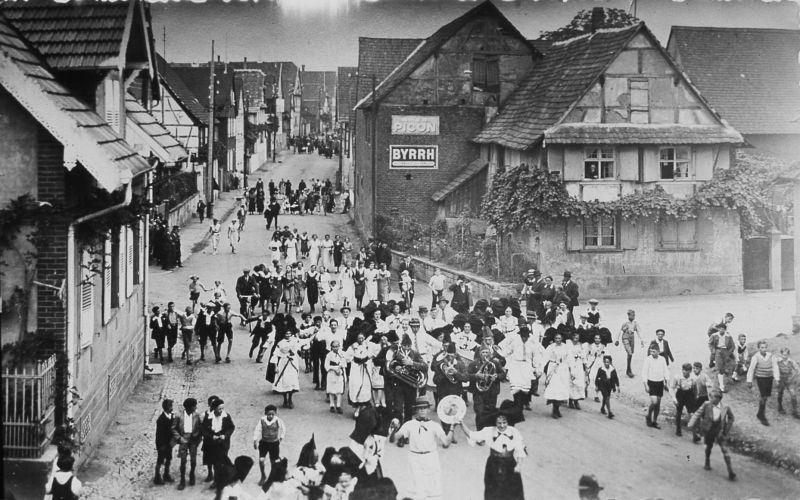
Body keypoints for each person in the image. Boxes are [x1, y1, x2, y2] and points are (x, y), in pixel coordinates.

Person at [460, 403, 526, 500]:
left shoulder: (513, 432)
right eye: (499, 423)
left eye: (504, 422)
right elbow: (472, 435)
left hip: (510, 464)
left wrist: (519, 465)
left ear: (508, 421)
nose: (502, 425)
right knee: (493, 491)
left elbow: (520, 449)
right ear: (495, 422)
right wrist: (461, 424)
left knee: (513, 491)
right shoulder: (489, 431)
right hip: (494, 463)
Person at [392, 398, 454, 500]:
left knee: (432, 490)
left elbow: (446, 443)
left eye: (424, 408)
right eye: (419, 408)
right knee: (416, 491)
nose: (422, 410)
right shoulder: (409, 424)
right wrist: (394, 428)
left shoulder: (435, 425)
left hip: (431, 458)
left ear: (428, 410)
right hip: (414, 459)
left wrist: (452, 427)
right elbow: (394, 439)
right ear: (416, 410)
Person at [688, 389, 736, 481]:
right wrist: (691, 422)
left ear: (719, 398)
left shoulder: (725, 407)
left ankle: (730, 471)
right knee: (709, 446)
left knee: (724, 449)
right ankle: (707, 461)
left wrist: (726, 429)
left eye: (712, 397)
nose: (710, 399)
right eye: (710, 397)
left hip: (720, 430)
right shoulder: (706, 404)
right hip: (709, 429)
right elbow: (698, 413)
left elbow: (731, 418)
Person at [201, 398, 235, 488]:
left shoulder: (226, 416)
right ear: (214, 408)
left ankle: (221, 480)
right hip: (212, 444)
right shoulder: (208, 417)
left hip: (223, 443)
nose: (221, 410)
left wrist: (225, 435)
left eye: (222, 408)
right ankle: (217, 480)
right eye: (219, 409)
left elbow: (231, 427)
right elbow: (203, 429)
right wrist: (211, 436)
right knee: (215, 463)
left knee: (220, 462)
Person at [746, 340, 780, 426]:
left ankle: (759, 413)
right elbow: (751, 369)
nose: (764, 349)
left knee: (766, 396)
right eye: (762, 347)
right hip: (761, 378)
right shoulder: (755, 357)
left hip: (769, 378)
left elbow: (775, 367)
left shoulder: (771, 356)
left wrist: (777, 378)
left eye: (765, 347)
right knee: (764, 396)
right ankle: (762, 416)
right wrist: (749, 380)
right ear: (759, 348)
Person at [172, 397, 203, 490]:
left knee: (193, 460)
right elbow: (173, 428)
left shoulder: (197, 415)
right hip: (183, 440)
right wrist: (179, 438)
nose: (196, 407)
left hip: (193, 440)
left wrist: (198, 437)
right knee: (183, 460)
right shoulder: (179, 416)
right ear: (188, 407)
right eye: (194, 406)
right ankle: (182, 480)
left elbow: (201, 427)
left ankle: (192, 474)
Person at [253, 405, 286, 486]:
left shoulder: (278, 420)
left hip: (274, 444)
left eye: (272, 414)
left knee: (274, 461)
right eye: (269, 414)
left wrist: (281, 437)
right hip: (264, 443)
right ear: (265, 414)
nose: (270, 416)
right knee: (261, 460)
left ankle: (272, 477)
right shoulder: (262, 420)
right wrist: (255, 440)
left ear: (275, 414)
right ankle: (263, 476)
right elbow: (257, 430)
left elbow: (283, 428)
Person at [543, 332, 572, 419]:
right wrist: (541, 368)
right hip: (553, 368)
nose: (558, 340)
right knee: (554, 388)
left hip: (563, 368)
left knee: (561, 389)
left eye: (559, 338)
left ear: (562, 338)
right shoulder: (551, 347)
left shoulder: (566, 347)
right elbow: (545, 357)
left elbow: (570, 358)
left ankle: (557, 408)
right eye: (556, 338)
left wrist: (572, 370)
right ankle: (554, 409)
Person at [642, 342, 670, 429]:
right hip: (651, 382)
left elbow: (665, 371)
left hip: (660, 383)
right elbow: (644, 373)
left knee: (658, 404)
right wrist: (646, 385)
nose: (652, 353)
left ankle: (654, 421)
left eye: (654, 351)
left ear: (658, 351)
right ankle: (648, 415)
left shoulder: (662, 359)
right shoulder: (648, 359)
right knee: (654, 402)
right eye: (651, 351)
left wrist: (667, 382)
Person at [272, 330, 301, 409]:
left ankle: (290, 399)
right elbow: (275, 355)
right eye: (286, 333)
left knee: (292, 381)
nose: (288, 335)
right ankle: (285, 399)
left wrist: (294, 352)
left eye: (289, 333)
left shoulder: (295, 341)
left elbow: (298, 349)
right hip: (283, 362)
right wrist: (275, 367)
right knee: (284, 381)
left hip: (293, 363)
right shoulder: (280, 343)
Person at [347, 334, 374, 412]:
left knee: (365, 386)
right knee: (356, 385)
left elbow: (372, 354)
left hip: (366, 369)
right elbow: (347, 357)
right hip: (356, 369)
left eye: (362, 338)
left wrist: (367, 360)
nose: (361, 339)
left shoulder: (368, 345)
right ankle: (357, 408)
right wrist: (355, 359)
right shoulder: (353, 347)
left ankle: (364, 407)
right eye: (359, 338)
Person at [615, 309, 644, 378]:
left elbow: (639, 330)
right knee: (630, 353)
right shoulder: (624, 322)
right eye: (632, 315)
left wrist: (641, 340)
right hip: (625, 337)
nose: (633, 316)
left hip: (632, 337)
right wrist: (617, 339)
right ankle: (628, 370)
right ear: (628, 315)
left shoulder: (635, 322)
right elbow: (619, 330)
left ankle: (628, 369)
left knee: (630, 354)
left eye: (634, 315)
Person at [671, 363, 697, 437]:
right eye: (683, 370)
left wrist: (695, 398)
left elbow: (695, 389)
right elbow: (671, 388)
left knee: (692, 414)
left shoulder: (694, 378)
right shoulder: (677, 377)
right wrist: (674, 398)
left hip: (689, 395)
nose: (684, 372)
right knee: (679, 412)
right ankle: (678, 429)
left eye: (686, 370)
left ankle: (695, 435)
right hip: (680, 395)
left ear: (690, 371)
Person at [709, 323, 736, 392]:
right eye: (720, 329)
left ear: (725, 329)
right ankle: (721, 386)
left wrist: (728, 353)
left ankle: (726, 380)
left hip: (725, 352)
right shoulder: (714, 335)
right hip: (718, 351)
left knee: (725, 368)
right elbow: (710, 344)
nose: (721, 330)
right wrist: (713, 351)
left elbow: (733, 346)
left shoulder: (728, 336)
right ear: (718, 329)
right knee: (719, 368)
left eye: (723, 329)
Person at [154, 399, 176, 485]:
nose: (172, 408)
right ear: (167, 408)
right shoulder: (161, 419)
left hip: (169, 443)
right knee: (160, 460)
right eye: (171, 406)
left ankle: (166, 474)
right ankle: (157, 476)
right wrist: (161, 445)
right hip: (162, 444)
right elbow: (159, 434)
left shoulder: (171, 416)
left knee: (169, 458)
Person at [325, 340, 348, 414]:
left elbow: (345, 364)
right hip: (332, 373)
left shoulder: (342, 354)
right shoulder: (329, 355)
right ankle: (332, 405)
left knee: (339, 390)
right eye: (334, 347)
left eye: (337, 346)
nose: (335, 348)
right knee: (331, 390)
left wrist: (340, 368)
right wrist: (334, 369)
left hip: (340, 373)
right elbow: (326, 366)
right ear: (331, 347)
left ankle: (338, 405)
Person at [776, 347, 800, 418]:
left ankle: (795, 412)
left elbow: (797, 369)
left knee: (793, 395)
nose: (784, 356)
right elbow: (774, 368)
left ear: (788, 355)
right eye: (783, 355)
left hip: (789, 380)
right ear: (781, 354)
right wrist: (776, 378)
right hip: (781, 380)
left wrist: (795, 375)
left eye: (786, 355)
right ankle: (780, 407)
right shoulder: (778, 361)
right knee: (780, 393)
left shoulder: (791, 361)